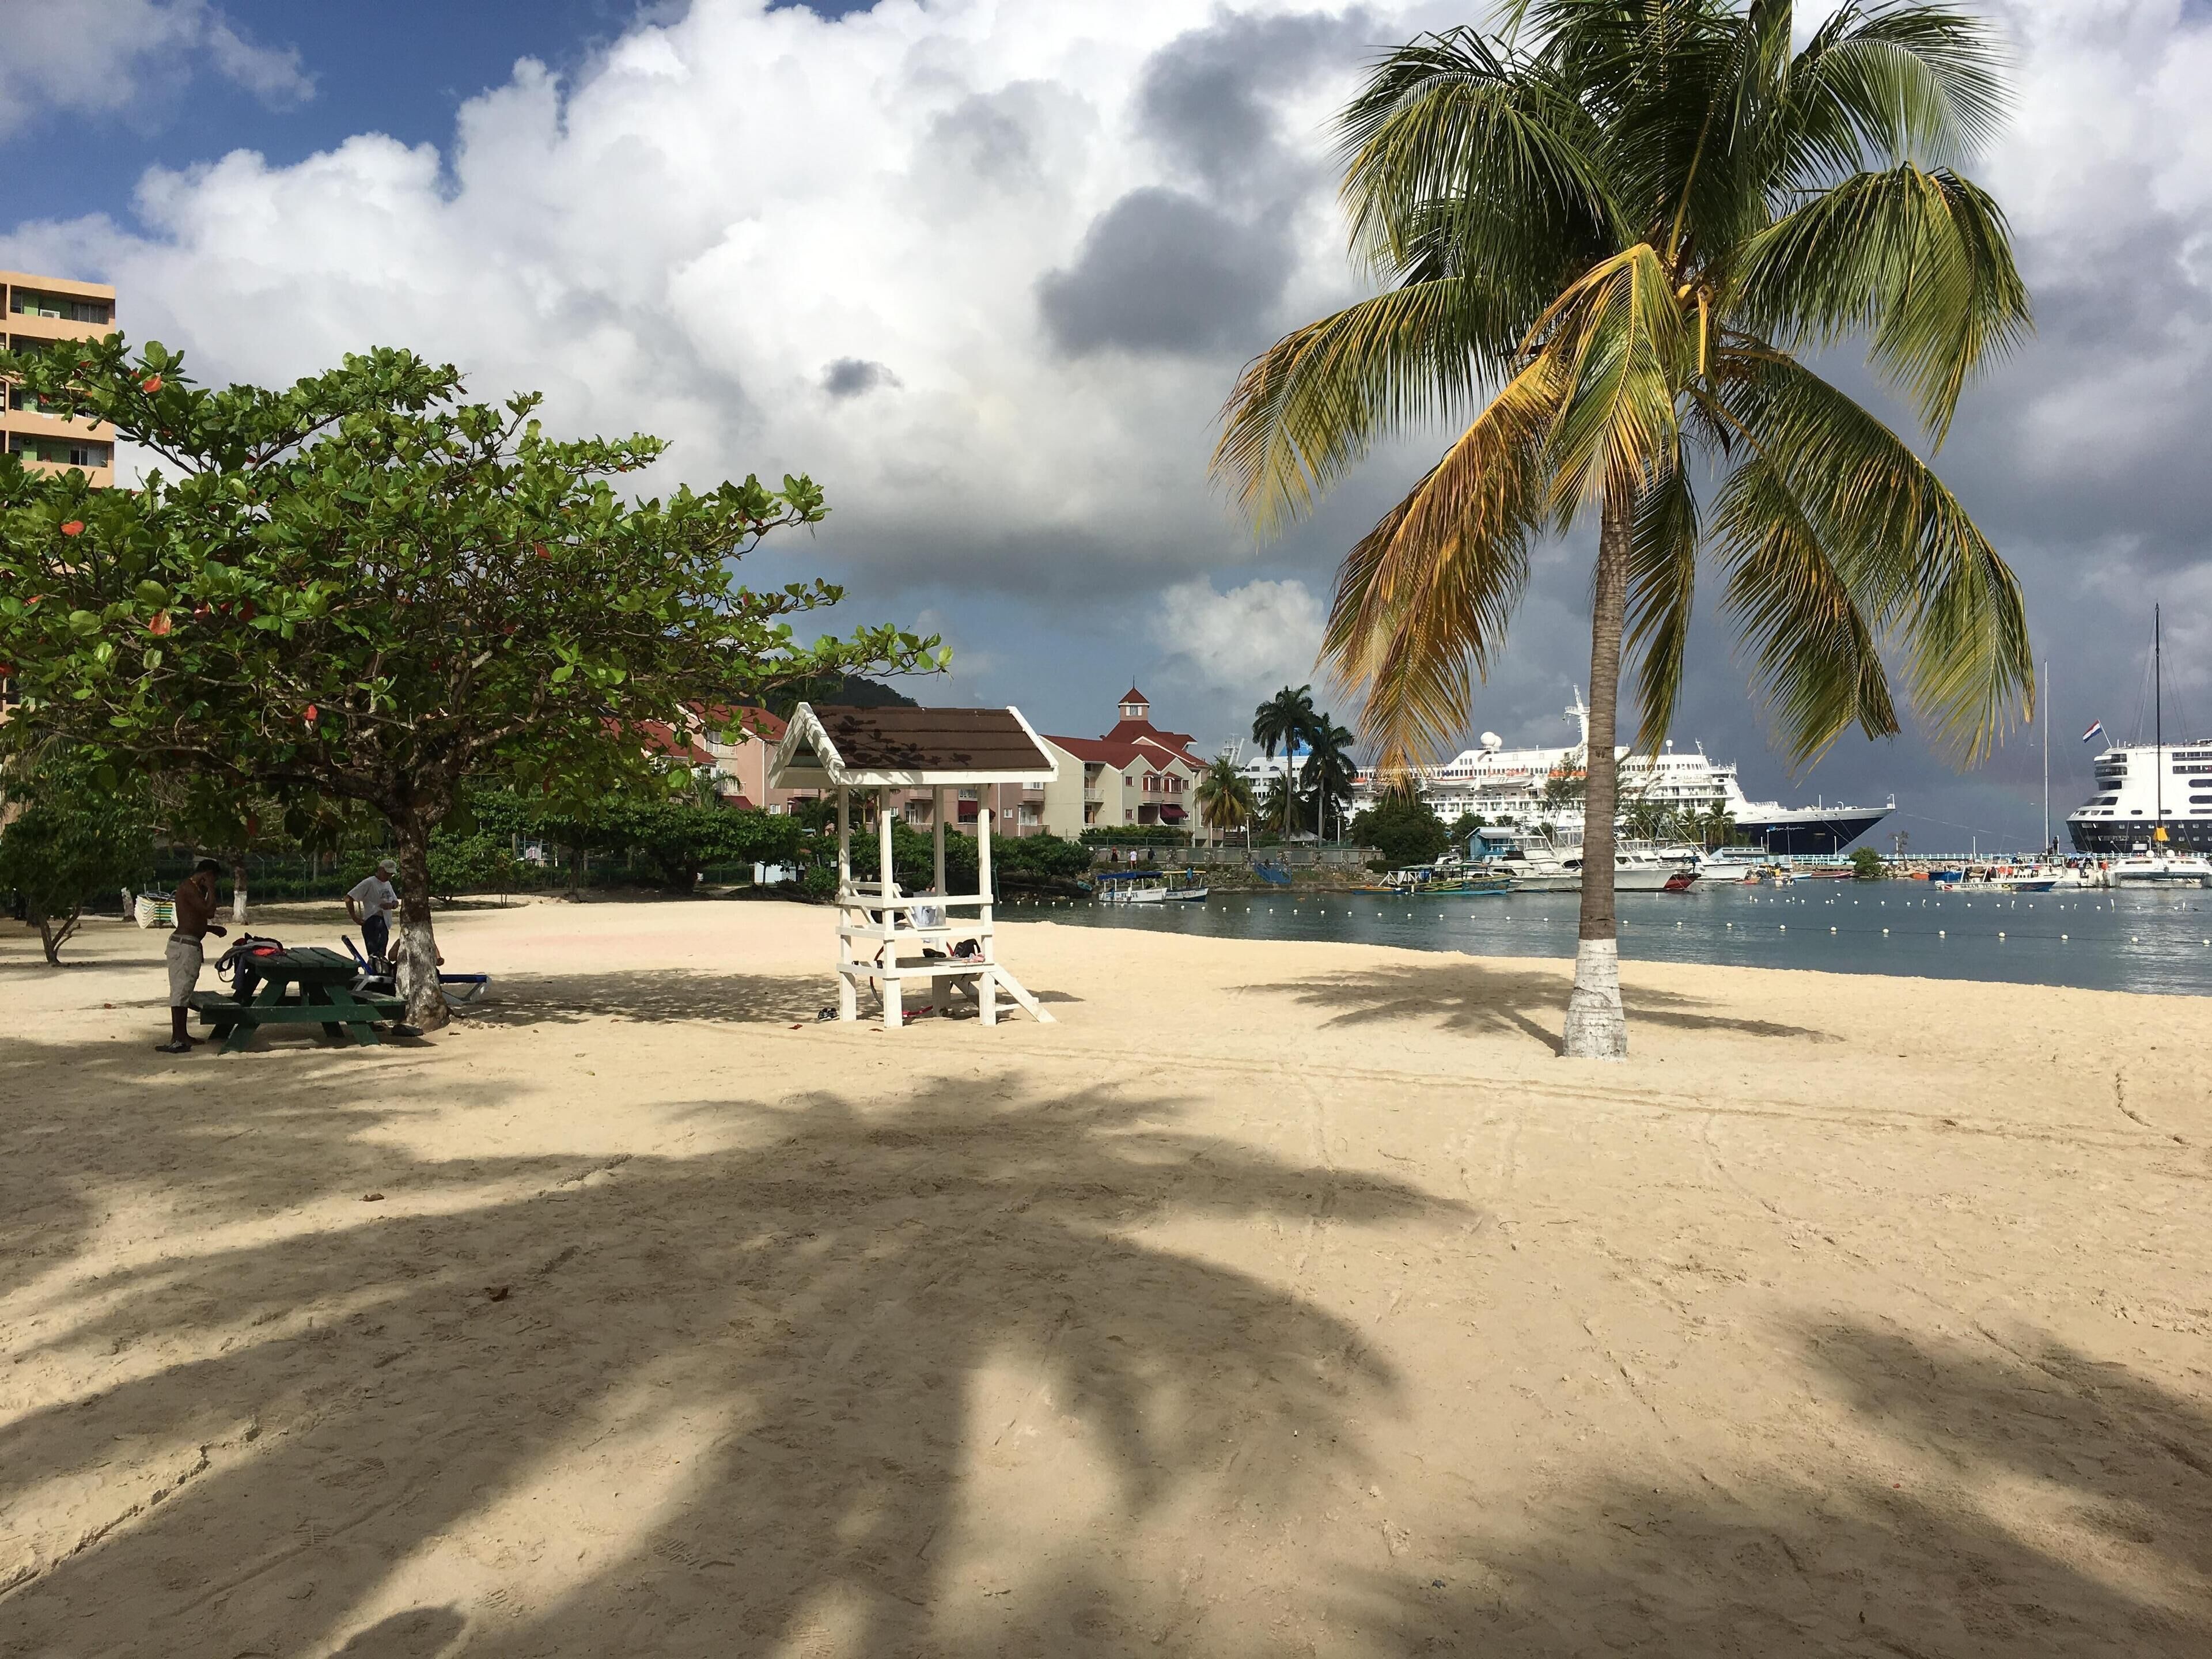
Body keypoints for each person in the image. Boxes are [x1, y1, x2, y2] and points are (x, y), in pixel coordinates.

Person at [158, 859, 227, 1054]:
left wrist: (211, 930)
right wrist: (212, 889)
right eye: (213, 878)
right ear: (207, 874)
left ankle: (182, 1035)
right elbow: (208, 911)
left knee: (185, 991)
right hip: (184, 947)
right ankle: (177, 1038)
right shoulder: (189, 888)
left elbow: (193, 918)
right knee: (180, 992)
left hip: (189, 944)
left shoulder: (195, 889)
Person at [346, 859, 400, 964]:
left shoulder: (388, 884)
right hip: (373, 920)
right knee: (375, 954)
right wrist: (355, 918)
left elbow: (395, 901)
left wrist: (392, 905)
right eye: (387, 874)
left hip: (385, 921)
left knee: (381, 953)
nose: (388, 877)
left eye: (391, 875)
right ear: (380, 870)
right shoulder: (370, 882)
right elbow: (349, 898)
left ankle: (378, 969)